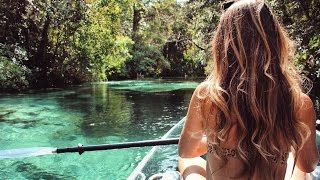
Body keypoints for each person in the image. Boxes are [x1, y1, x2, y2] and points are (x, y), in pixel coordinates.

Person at [178, 0, 319, 179]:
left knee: (187, 162)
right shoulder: (299, 102)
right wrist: (286, 143)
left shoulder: (207, 95)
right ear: (276, 41)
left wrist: (218, 140)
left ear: (223, 44)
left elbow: (186, 151)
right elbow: (309, 164)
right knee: (299, 168)